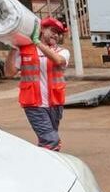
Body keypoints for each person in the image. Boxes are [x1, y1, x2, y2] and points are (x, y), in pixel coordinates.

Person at [5, 17, 70, 151]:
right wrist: (12, 49)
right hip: (34, 104)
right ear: (42, 30)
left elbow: (58, 61)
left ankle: (45, 163)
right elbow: (9, 73)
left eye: (58, 33)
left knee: (49, 140)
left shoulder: (62, 52)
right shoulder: (24, 51)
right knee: (50, 140)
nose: (55, 35)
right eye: (52, 30)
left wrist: (38, 43)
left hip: (55, 103)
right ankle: (46, 168)